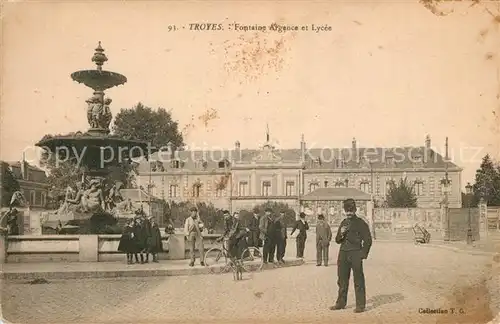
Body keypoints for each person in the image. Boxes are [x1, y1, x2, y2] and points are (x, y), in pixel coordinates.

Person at [330, 199, 372, 313]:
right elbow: (337, 240)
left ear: (354, 210)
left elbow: (368, 240)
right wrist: (341, 233)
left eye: (350, 211)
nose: (348, 213)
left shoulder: (361, 223)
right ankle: (340, 303)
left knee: (358, 279)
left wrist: (362, 254)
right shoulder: (343, 222)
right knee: (342, 279)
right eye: (347, 211)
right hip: (343, 253)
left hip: (355, 253)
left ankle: (360, 305)